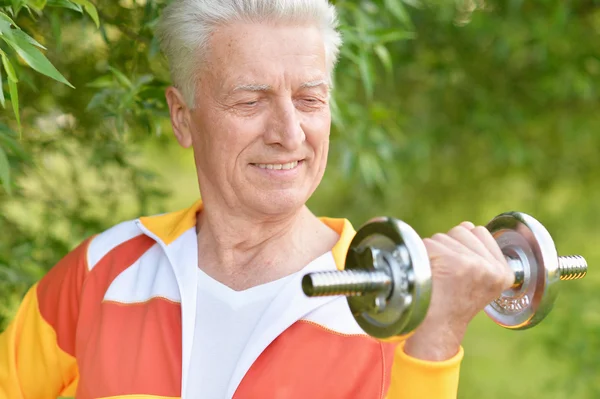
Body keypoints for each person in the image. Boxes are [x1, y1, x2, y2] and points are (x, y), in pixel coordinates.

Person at [0, 1, 515, 398]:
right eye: (251, 100)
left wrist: (439, 336)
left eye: (310, 100)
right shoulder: (97, 275)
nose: (289, 134)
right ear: (183, 117)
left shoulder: (395, 318)